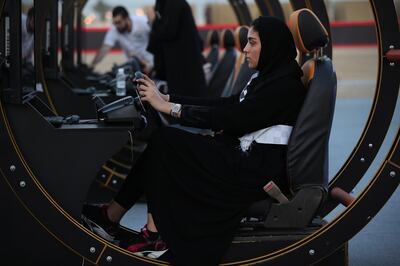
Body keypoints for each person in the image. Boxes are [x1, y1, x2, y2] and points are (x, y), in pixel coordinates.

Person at [82, 16, 306, 265]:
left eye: (252, 43)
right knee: (163, 142)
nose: (245, 49)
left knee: (165, 141)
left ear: (271, 46)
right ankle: (114, 218)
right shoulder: (270, 77)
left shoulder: (284, 86)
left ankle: (148, 232)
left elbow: (234, 118)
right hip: (245, 160)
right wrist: (167, 99)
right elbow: (225, 104)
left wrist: (171, 109)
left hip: (253, 173)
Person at [147, 0, 206, 97]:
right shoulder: (170, 4)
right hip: (183, 67)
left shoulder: (173, 4)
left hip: (183, 69)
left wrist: (154, 20)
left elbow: (168, 31)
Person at [91, 6, 153, 74]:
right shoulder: (114, 29)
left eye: (119, 22)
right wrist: (91, 66)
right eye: (115, 23)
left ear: (127, 18)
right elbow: (105, 48)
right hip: (134, 66)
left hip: (151, 64)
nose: (117, 26)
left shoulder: (143, 22)